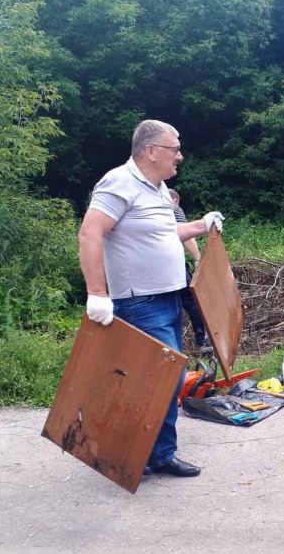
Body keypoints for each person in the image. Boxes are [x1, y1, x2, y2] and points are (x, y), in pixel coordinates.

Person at [78, 119, 224, 478]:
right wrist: (97, 294)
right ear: (152, 151)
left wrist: (202, 224)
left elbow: (165, 233)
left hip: (167, 298)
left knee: (162, 377)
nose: (181, 156)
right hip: (140, 301)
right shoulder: (119, 182)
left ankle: (156, 454)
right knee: (162, 379)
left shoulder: (157, 188)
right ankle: (136, 453)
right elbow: (90, 233)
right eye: (175, 149)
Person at [167, 188, 213, 353]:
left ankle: (171, 347)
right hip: (173, 268)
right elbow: (187, 237)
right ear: (175, 200)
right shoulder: (173, 208)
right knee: (192, 302)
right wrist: (198, 260)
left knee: (169, 306)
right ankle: (202, 341)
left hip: (153, 273)